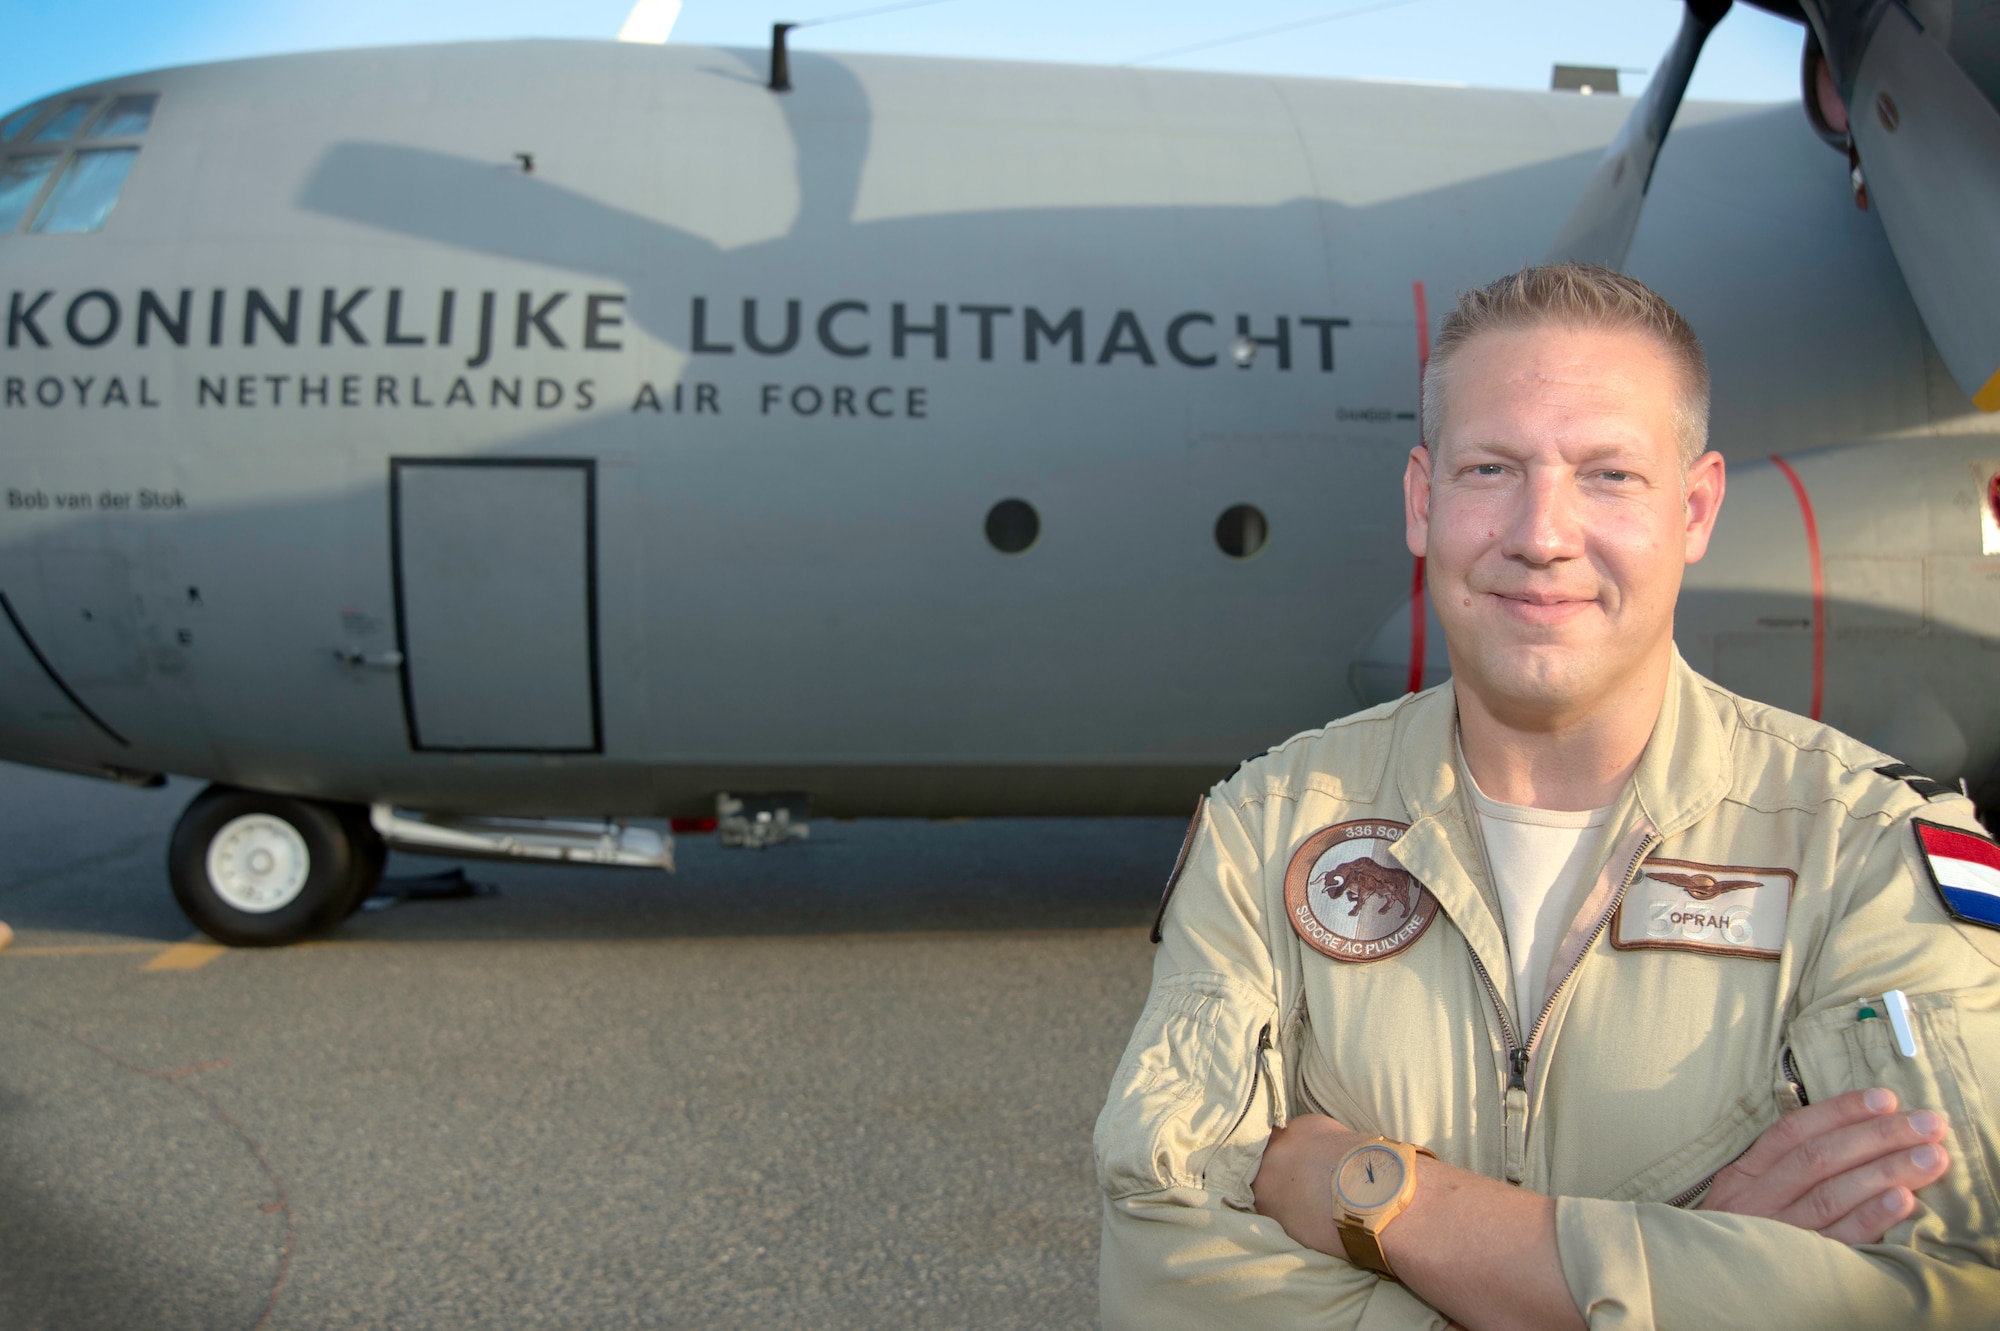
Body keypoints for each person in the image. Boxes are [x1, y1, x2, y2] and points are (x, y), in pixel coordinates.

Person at [1095, 264, 2000, 1330]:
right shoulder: (1266, 827)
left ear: (1695, 506)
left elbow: (1949, 1289)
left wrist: (1379, 1196)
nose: (1541, 532)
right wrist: (1686, 1262)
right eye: (1490, 468)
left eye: (1608, 474)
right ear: (1422, 502)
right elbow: (1166, 1269)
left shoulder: (1871, 849)